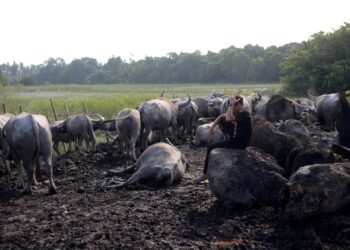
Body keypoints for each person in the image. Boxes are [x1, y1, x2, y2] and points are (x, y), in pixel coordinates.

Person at [194, 95, 252, 184]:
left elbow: (228, 118)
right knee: (223, 119)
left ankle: (205, 174)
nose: (231, 107)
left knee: (211, 147)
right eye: (231, 105)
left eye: (233, 105)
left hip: (240, 143)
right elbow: (221, 117)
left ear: (240, 104)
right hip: (234, 140)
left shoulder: (245, 113)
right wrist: (211, 130)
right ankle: (227, 137)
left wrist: (230, 105)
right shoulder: (238, 113)